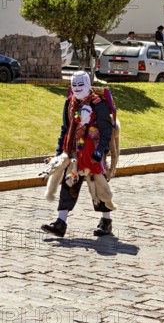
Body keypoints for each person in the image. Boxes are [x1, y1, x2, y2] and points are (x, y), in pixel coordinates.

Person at [40, 71, 116, 237]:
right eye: (74, 85)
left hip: (93, 154)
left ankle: (106, 221)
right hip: (74, 152)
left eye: (81, 85)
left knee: (99, 187)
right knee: (69, 183)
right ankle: (61, 222)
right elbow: (65, 128)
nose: (77, 88)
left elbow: (106, 129)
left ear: (88, 85)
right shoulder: (69, 102)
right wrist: (59, 152)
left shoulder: (99, 104)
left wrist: (100, 149)